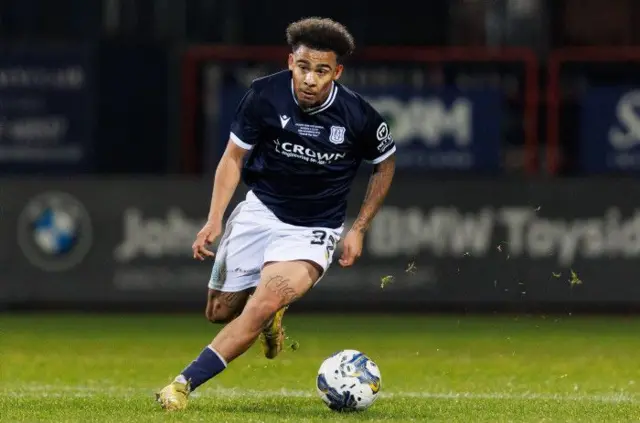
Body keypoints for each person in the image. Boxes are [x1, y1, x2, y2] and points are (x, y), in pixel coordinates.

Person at [155, 16, 396, 411]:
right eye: (303, 68)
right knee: (219, 311)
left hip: (314, 229)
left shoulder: (359, 117)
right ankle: (271, 319)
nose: (311, 80)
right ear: (290, 63)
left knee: (262, 302)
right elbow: (234, 157)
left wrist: (360, 227)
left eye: (322, 71)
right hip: (260, 211)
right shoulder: (264, 96)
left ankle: (181, 385)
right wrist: (215, 218)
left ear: (337, 72)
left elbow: (385, 163)